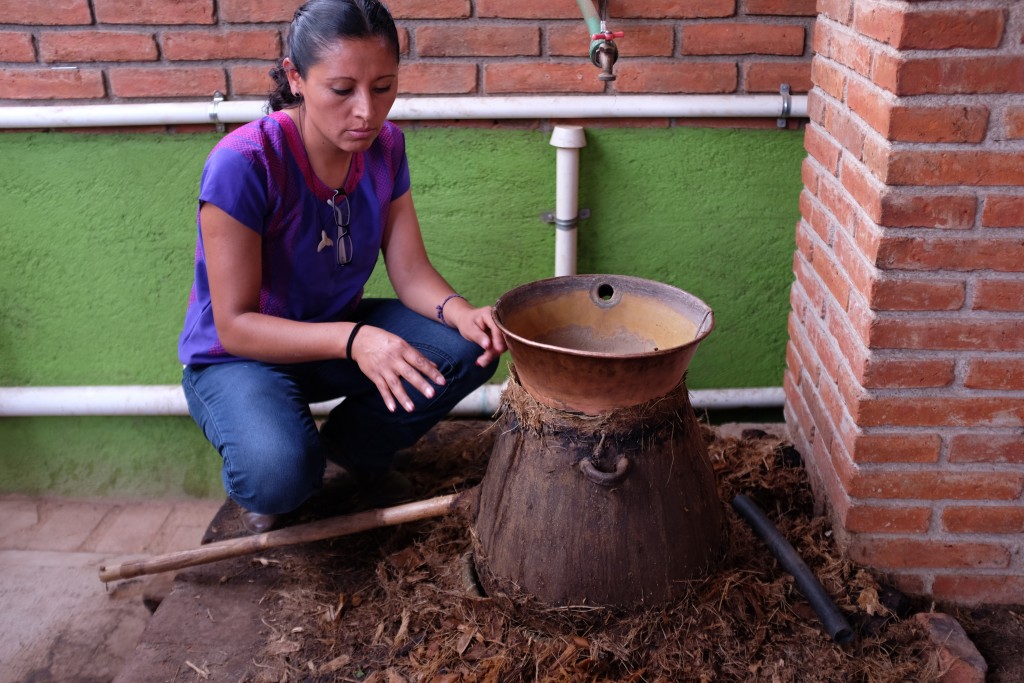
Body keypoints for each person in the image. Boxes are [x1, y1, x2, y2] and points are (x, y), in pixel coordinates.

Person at [177, 0, 506, 534]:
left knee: (467, 348)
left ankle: (353, 452)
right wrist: (356, 341)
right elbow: (234, 324)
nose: (367, 112)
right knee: (280, 475)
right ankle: (283, 463)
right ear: (296, 77)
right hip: (238, 356)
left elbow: (410, 270)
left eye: (383, 87)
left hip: (334, 333)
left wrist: (462, 313)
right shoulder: (245, 162)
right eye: (342, 89)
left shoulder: (386, 148)